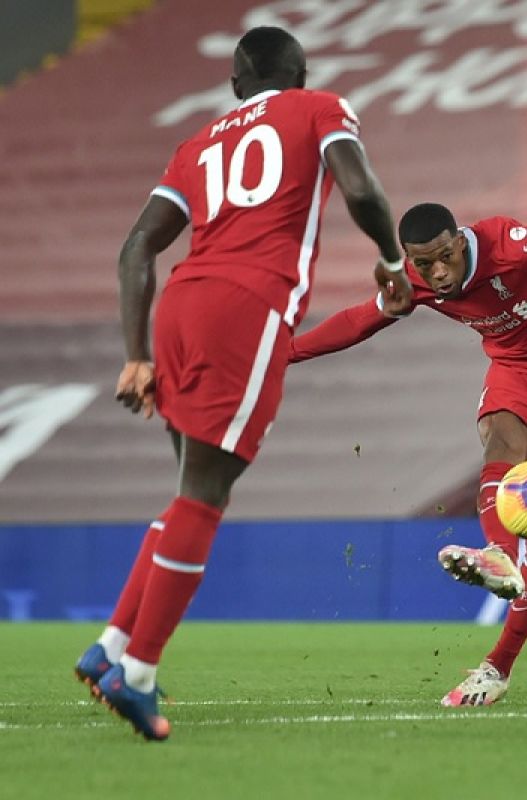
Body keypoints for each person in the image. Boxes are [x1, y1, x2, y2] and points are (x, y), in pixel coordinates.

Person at [72, 26, 412, 741]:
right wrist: (391, 259)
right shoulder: (318, 108)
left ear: (233, 85)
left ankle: (109, 649)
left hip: (178, 309)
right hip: (247, 305)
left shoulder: (196, 146)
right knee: (206, 495)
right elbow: (361, 188)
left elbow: (137, 247)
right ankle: (138, 675)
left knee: (190, 485)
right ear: (302, 75)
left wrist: (135, 354)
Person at [289, 202, 527, 706]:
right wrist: (284, 353)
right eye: (423, 263)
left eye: (443, 258)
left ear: (460, 242)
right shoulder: (414, 280)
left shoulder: (506, 244)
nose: (436, 272)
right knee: (500, 443)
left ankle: (497, 668)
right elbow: (358, 320)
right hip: (513, 367)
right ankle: (498, 553)